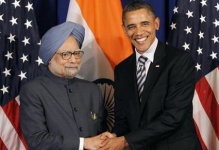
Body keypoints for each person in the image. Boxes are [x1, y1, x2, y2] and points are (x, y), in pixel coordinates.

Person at [99, 1, 202, 150]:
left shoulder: (179, 60)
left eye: (144, 23)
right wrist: (114, 136)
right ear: (124, 30)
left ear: (156, 24)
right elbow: (123, 120)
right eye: (131, 26)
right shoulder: (122, 69)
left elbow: (173, 118)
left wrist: (124, 141)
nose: (139, 32)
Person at [20, 21, 106, 150]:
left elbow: (99, 133)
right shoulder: (33, 91)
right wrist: (84, 143)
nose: (73, 60)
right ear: (49, 58)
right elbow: (37, 140)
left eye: (76, 53)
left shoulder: (91, 90)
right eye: (65, 54)